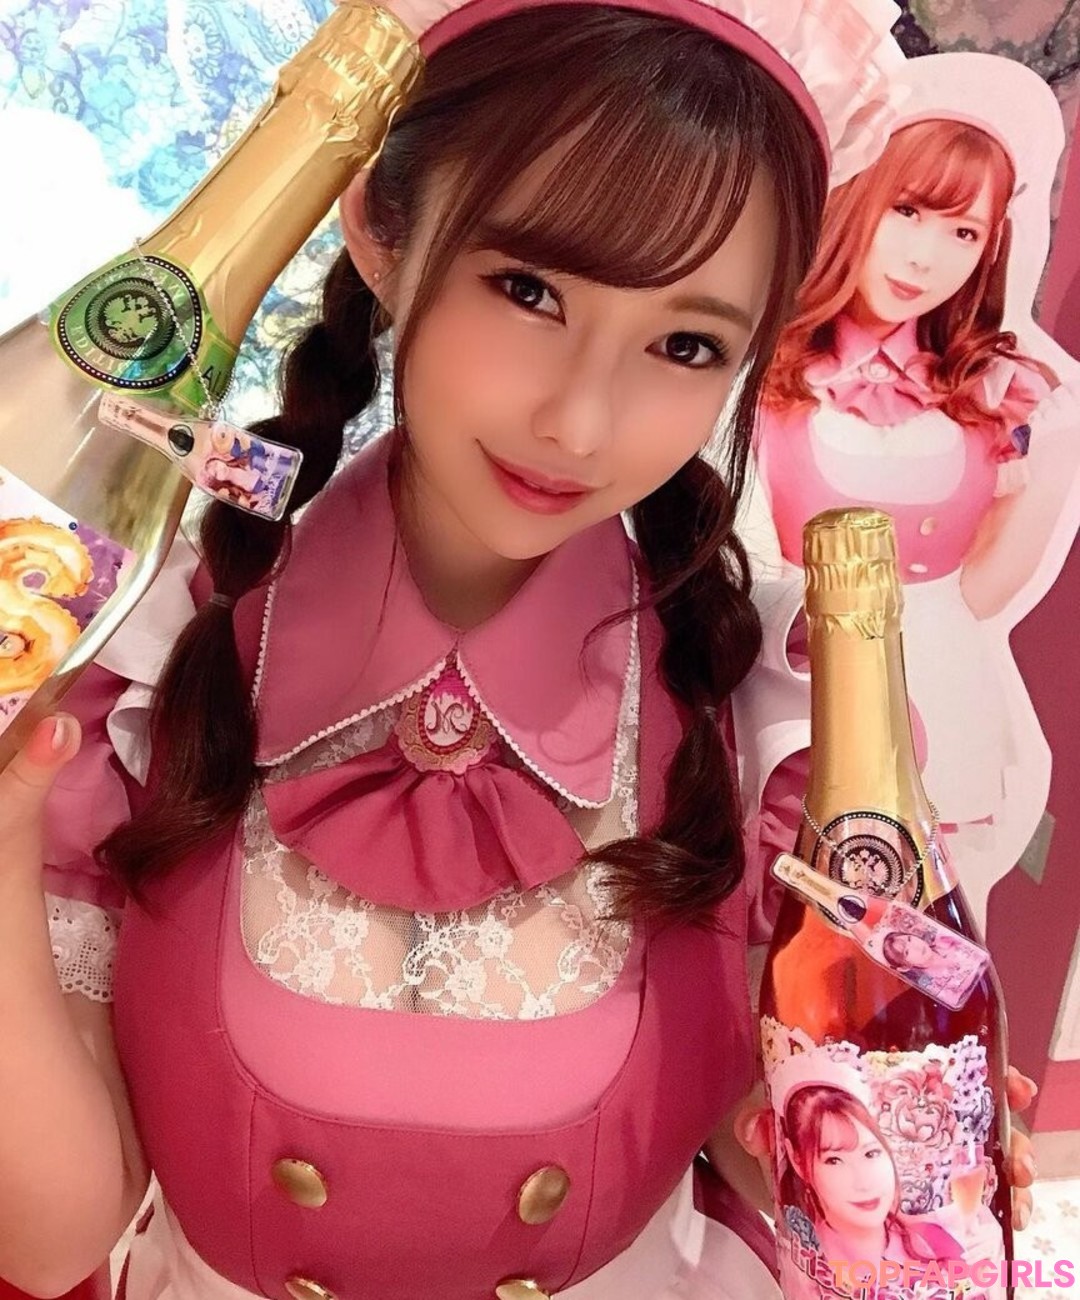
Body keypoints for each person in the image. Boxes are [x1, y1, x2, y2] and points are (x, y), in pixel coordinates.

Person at [0, 7, 1040, 1300]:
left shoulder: (765, 697)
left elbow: (774, 1153)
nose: (580, 422)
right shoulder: (161, 650)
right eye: (530, 290)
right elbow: (52, 1240)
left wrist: (865, 1153)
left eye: (687, 344)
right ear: (383, 230)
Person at [741, 53, 1080, 933]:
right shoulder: (763, 377)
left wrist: (1053, 461)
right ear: (859, 197)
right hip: (794, 706)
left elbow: (982, 594)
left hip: (948, 705)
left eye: (964, 234)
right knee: (787, 954)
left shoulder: (992, 398)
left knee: (926, 967)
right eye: (908, 212)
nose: (927, 258)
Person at [779, 1083, 1002, 1299]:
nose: (864, 1181)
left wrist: (993, 1256)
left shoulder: (933, 1239)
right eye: (834, 1160)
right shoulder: (805, 1266)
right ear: (797, 1161)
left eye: (871, 1153)